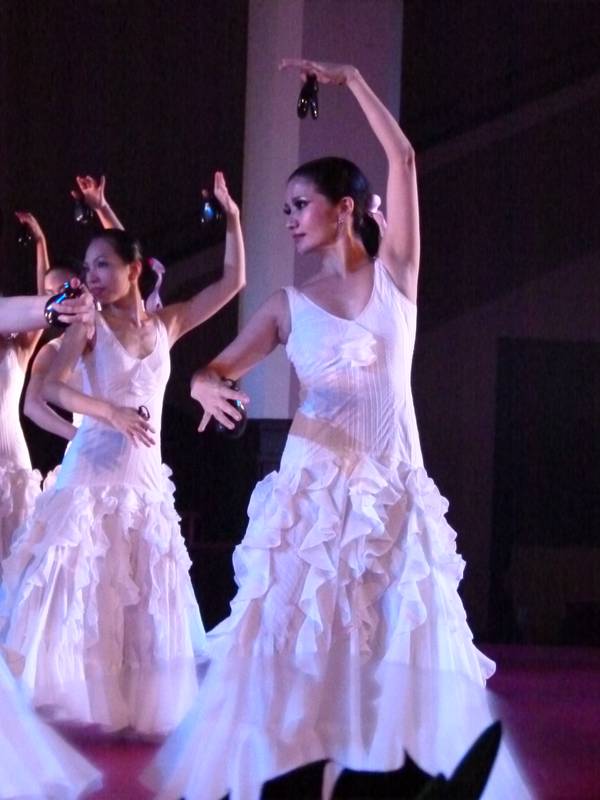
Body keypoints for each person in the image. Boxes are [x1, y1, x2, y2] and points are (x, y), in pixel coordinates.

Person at [144, 60, 530, 799]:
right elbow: (216, 366)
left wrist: (351, 80)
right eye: (286, 207)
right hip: (312, 503)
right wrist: (201, 383)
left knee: (393, 651)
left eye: (301, 204)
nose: (290, 217)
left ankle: (389, 778)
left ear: (345, 208)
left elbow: (403, 158)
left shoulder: (398, 278)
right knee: (303, 651)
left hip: (391, 495)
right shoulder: (287, 305)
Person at [1, 171, 245, 736]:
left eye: (103, 265)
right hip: (90, 476)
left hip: (143, 482)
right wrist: (107, 412)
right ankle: (73, 709)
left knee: (137, 596)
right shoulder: (87, 325)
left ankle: (129, 708)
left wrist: (233, 217)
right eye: (87, 268)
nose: (91, 277)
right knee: (85, 591)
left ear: (135, 270)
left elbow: (233, 280)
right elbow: (49, 389)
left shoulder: (167, 323)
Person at [0, 294, 100, 799]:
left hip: (10, 463)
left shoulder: (17, 339)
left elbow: (34, 312)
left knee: (15, 585)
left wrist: (61, 304)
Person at [0, 211, 52, 567]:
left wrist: (40, 243)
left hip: (10, 455)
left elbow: (45, 302)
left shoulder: (18, 349)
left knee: (15, 557)